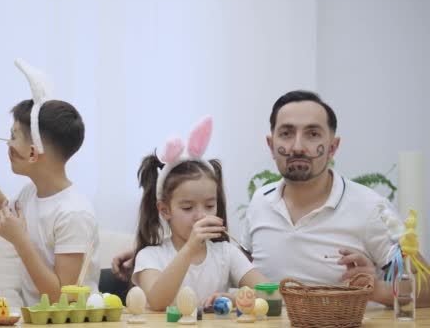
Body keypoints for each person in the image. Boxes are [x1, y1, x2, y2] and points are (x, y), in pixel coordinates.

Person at [240, 90, 429, 306]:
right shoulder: (259, 202)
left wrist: (376, 289)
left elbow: (427, 288)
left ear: (333, 147)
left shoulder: (370, 208)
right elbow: (240, 273)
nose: (298, 147)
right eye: (286, 133)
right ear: (271, 145)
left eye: (312, 134)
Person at [0, 60, 99, 305]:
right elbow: (0, 212)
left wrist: (20, 240)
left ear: (33, 152)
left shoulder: (74, 213)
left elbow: (63, 297)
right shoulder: (31, 194)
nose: (7, 144)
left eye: (14, 135)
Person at [131, 117, 268, 311]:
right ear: (165, 210)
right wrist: (189, 248)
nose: (201, 216)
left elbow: (271, 294)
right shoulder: (150, 256)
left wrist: (236, 299)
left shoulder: (226, 253)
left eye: (210, 205)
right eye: (188, 208)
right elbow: (157, 301)